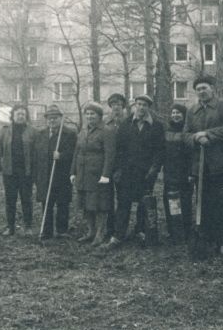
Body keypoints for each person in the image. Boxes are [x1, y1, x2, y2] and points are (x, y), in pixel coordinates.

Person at [184, 75, 223, 256]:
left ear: (212, 88)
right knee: (203, 204)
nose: (201, 91)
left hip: (220, 164)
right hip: (200, 166)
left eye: (204, 88)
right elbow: (185, 134)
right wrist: (195, 138)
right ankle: (206, 239)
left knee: (221, 203)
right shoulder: (192, 111)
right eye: (198, 89)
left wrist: (208, 135)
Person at [102, 94, 164, 249]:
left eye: (144, 105)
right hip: (127, 173)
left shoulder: (156, 126)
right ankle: (118, 236)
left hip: (146, 173)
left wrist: (154, 169)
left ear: (149, 107)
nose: (141, 107)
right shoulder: (126, 124)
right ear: (134, 106)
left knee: (144, 203)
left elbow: (160, 151)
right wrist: (118, 170)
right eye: (138, 104)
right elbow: (119, 149)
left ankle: (141, 231)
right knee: (123, 204)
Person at [70, 102, 115, 246]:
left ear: (99, 116)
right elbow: (76, 153)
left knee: (100, 205)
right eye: (87, 114)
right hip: (83, 174)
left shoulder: (107, 131)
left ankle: (100, 234)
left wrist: (106, 175)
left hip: (98, 175)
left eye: (93, 114)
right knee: (86, 204)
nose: (89, 117)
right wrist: (73, 172)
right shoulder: (82, 131)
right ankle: (91, 231)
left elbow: (110, 155)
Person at [33, 105, 77, 240]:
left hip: (62, 175)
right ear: (46, 120)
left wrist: (61, 156)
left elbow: (74, 154)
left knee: (62, 202)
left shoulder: (69, 134)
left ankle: (62, 230)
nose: (52, 121)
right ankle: (47, 231)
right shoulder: (41, 134)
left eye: (55, 118)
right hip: (45, 175)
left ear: (60, 119)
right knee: (46, 203)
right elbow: (36, 155)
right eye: (49, 118)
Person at [0, 104, 36, 236]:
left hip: (26, 172)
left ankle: (28, 227)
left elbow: (36, 152)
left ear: (26, 116)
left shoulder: (32, 131)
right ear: (13, 115)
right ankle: (10, 227)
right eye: (18, 114)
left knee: (26, 199)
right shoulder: (5, 131)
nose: (21, 116)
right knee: (10, 200)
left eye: (23, 114)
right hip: (9, 172)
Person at [163, 103, 193, 242]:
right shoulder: (167, 130)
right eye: (173, 113)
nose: (175, 115)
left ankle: (186, 230)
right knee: (171, 201)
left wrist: (190, 173)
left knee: (185, 202)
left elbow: (192, 154)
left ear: (184, 115)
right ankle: (173, 231)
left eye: (178, 113)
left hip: (184, 173)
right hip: (170, 172)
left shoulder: (188, 130)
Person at [104, 92, 128, 239]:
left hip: (123, 166)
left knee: (123, 199)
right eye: (113, 105)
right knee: (107, 199)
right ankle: (109, 228)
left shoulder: (129, 121)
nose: (116, 107)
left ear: (123, 106)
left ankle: (120, 230)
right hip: (107, 165)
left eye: (118, 104)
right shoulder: (105, 122)